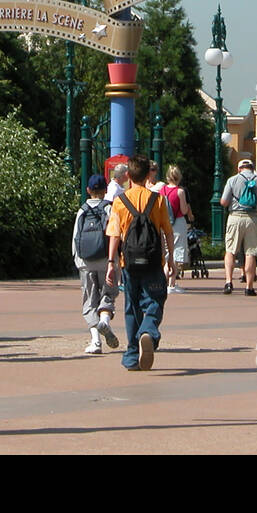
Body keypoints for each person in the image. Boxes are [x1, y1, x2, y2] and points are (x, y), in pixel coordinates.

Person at [105, 154, 174, 370]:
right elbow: (167, 232)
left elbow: (115, 234)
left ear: (128, 175)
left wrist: (111, 262)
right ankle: (149, 330)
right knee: (155, 299)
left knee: (132, 306)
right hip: (153, 261)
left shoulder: (120, 202)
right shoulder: (158, 200)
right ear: (148, 176)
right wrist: (171, 259)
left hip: (129, 262)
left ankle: (132, 355)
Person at [73, 174, 119, 354]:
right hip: (106, 261)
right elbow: (115, 234)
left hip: (86, 262)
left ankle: (95, 342)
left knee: (89, 300)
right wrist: (114, 261)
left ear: (88, 190)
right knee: (108, 293)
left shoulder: (82, 210)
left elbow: (76, 237)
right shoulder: (109, 209)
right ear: (105, 190)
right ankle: (105, 321)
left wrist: (79, 261)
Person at [219, 158, 257, 295]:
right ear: (252, 168)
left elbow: (224, 202)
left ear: (239, 168)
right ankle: (249, 286)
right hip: (254, 218)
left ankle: (228, 282)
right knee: (250, 253)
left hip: (235, 217)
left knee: (230, 250)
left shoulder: (232, 180)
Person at [161, 165, 194, 292]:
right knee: (176, 252)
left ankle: (164, 282)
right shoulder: (180, 191)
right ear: (179, 177)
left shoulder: (161, 190)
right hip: (178, 223)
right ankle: (172, 283)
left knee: (166, 252)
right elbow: (184, 210)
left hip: (165, 223)